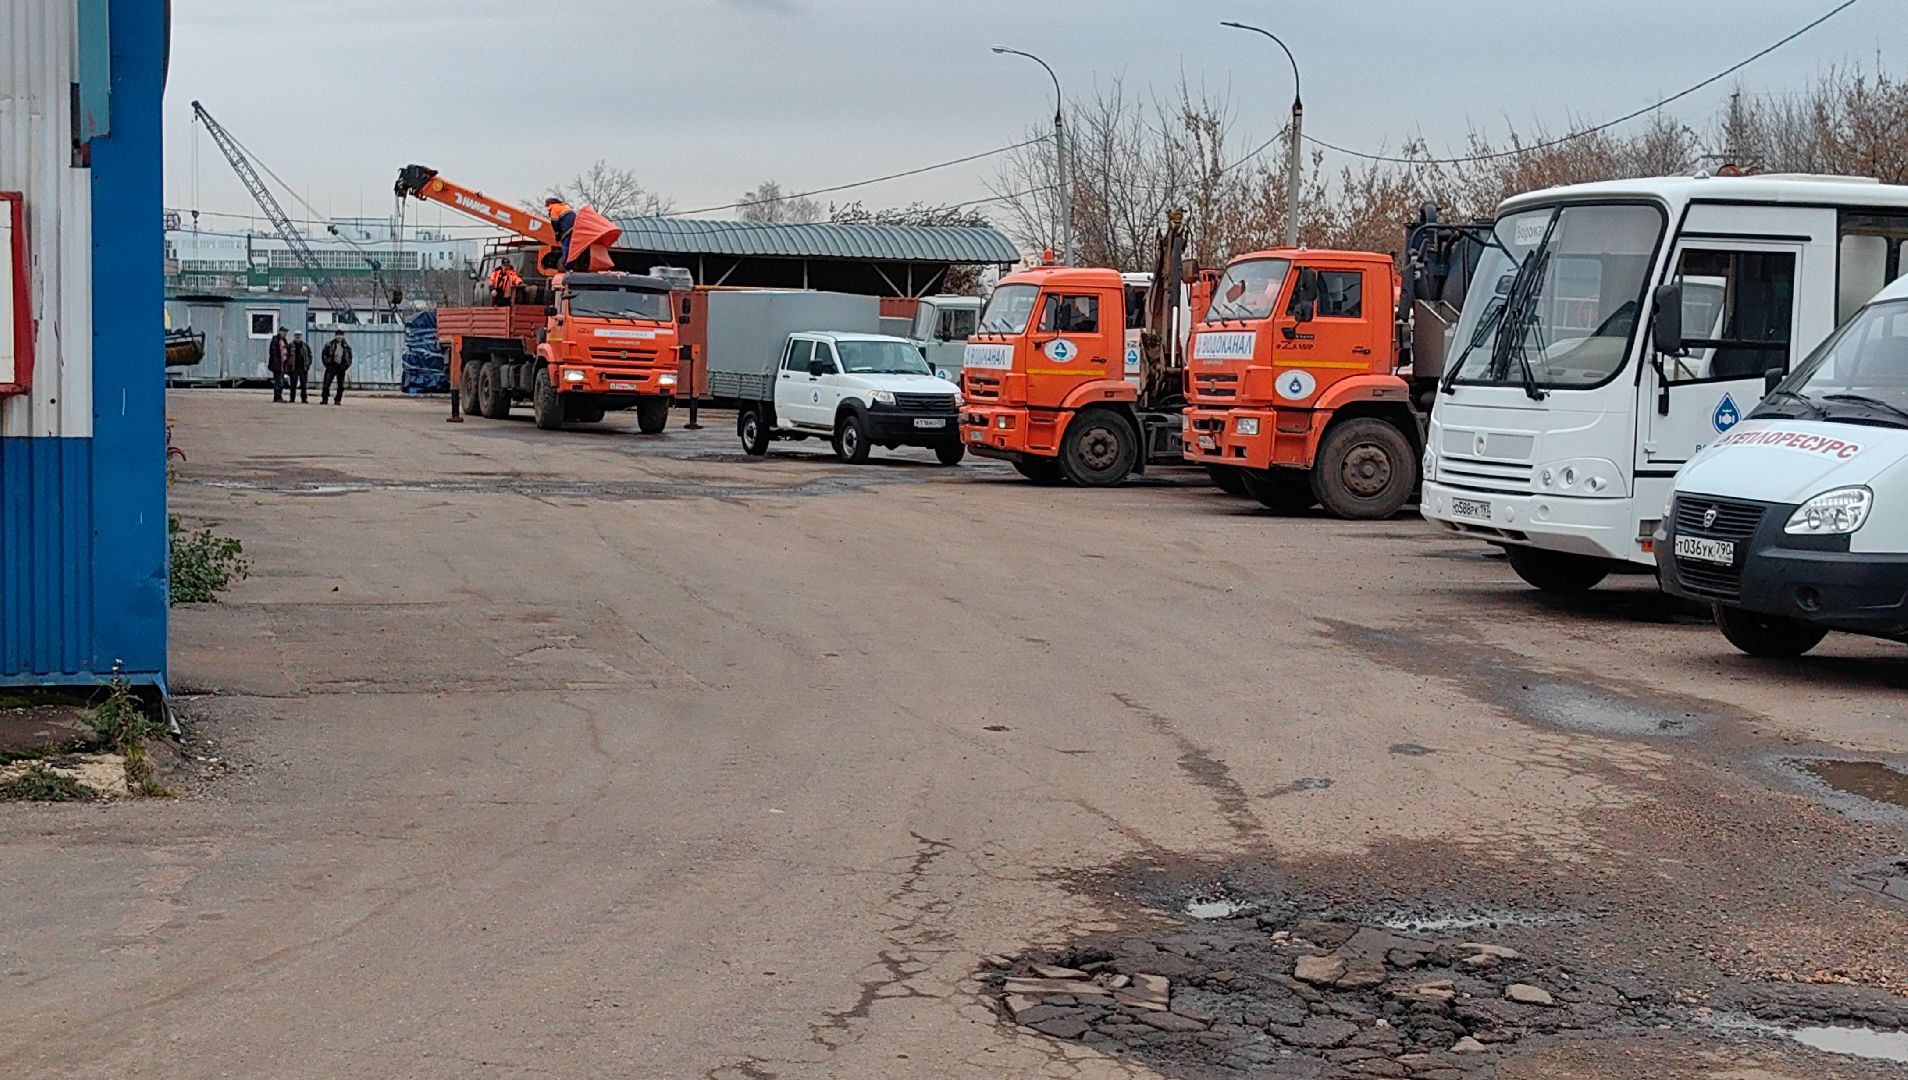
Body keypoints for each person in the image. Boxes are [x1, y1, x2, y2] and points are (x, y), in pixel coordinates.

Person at [320, 329, 352, 405]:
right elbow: (324, 355)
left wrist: (345, 366)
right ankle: (325, 399)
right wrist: (327, 363)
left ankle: (338, 400)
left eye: (341, 335)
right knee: (326, 384)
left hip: (341, 367)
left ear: (343, 337)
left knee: (341, 385)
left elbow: (349, 358)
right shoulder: (329, 345)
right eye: (338, 335)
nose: (339, 337)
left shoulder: (346, 347)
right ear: (335, 336)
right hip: (331, 366)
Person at [545, 197, 576, 265]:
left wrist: (557, 235)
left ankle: (566, 263)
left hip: (567, 226)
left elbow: (555, 223)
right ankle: (571, 261)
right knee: (571, 244)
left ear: (550, 203)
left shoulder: (553, 208)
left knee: (565, 244)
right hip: (574, 224)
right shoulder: (564, 206)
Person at [267, 325, 291, 402]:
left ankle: (278, 396)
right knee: (278, 381)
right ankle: (278, 396)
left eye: (286, 332)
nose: (285, 333)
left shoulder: (284, 340)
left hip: (282, 364)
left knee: (280, 380)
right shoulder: (275, 340)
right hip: (277, 365)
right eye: (284, 332)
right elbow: (273, 352)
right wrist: (277, 362)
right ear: (280, 332)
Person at [289, 332, 314, 404]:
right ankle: (292, 398)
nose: (298, 337)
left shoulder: (305, 346)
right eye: (296, 335)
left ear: (301, 336)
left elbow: (310, 355)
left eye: (299, 335)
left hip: (303, 368)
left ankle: (304, 399)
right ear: (294, 336)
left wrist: (308, 364)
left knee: (303, 385)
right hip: (294, 368)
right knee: (293, 384)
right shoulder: (290, 345)